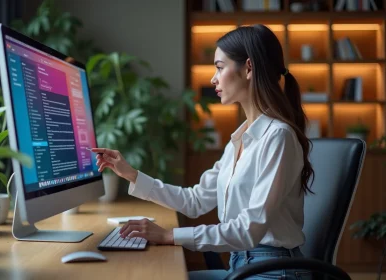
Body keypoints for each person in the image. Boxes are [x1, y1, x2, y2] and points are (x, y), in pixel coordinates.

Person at [92, 24, 314, 280]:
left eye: (220, 67)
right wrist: (132, 175)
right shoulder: (241, 137)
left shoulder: (278, 137)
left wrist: (168, 235)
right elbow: (195, 201)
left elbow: (249, 231)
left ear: (249, 68)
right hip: (241, 264)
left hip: (272, 272)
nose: (213, 78)